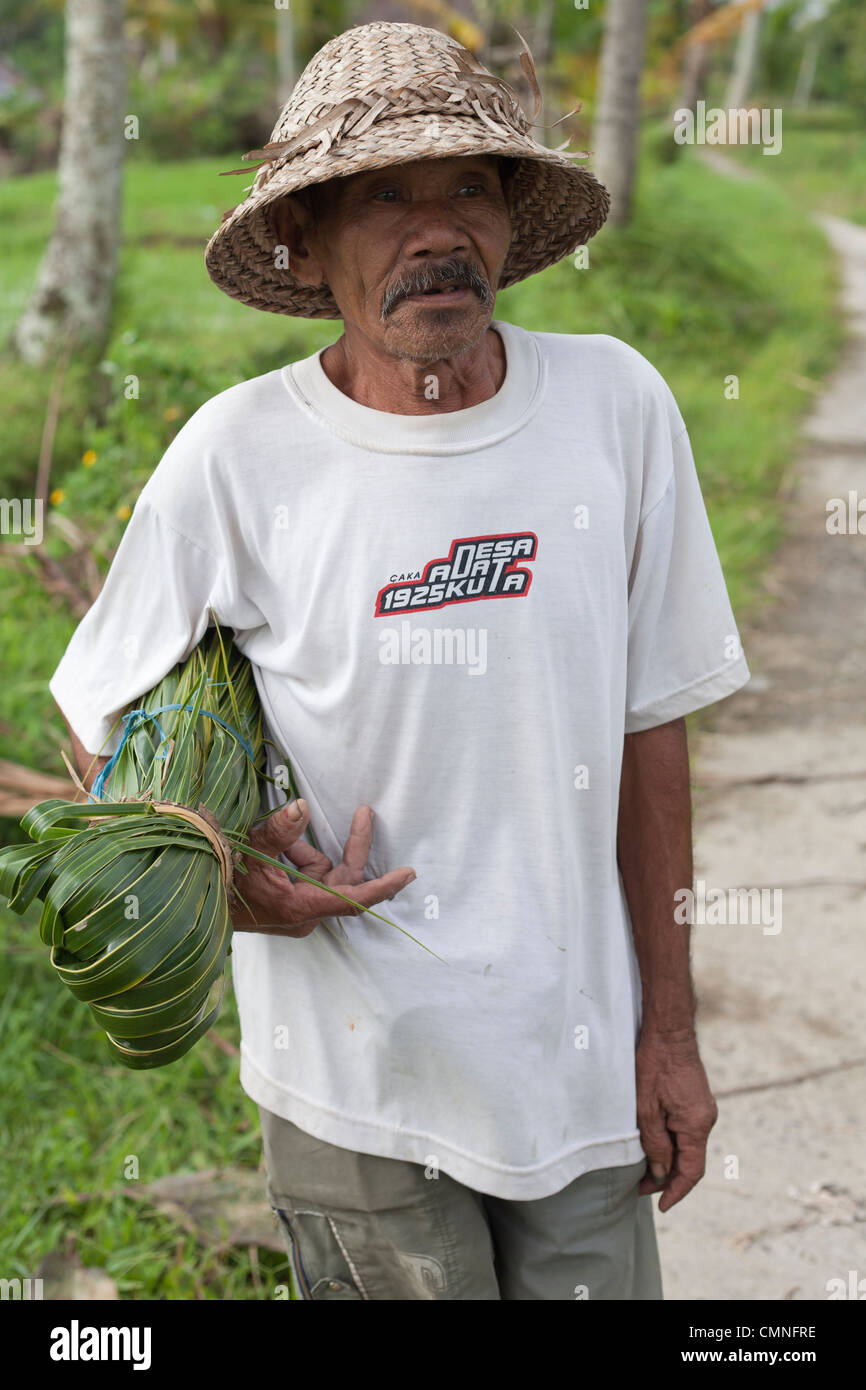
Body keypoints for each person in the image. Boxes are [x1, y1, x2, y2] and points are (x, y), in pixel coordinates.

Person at [50, 21, 751, 1300]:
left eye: (468, 187)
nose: (438, 231)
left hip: (574, 1063)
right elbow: (99, 709)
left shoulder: (615, 406)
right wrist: (229, 874)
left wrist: (669, 1031)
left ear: (510, 222)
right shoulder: (236, 455)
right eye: (385, 196)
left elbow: (655, 730)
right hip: (356, 1091)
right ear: (307, 244)